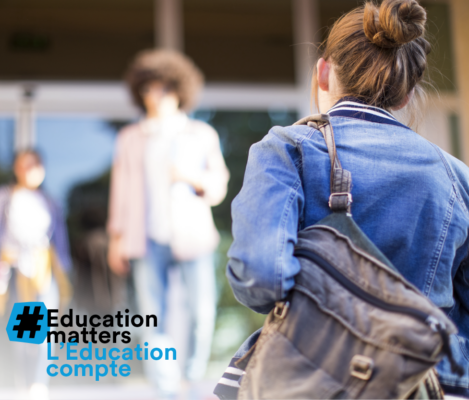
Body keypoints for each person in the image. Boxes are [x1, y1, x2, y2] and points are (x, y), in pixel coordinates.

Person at [222, 0, 469, 398]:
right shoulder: (457, 176)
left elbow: (260, 277)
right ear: (406, 95)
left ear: (323, 71)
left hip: (311, 377)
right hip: (428, 385)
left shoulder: (287, 148)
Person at [107, 49, 229, 395]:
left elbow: (219, 185)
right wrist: (116, 238)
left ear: (179, 91)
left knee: (202, 314)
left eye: (164, 89)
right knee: (152, 317)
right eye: (149, 90)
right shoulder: (130, 138)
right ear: (140, 93)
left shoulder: (201, 134)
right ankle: (167, 388)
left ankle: (190, 377)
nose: (156, 97)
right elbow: (120, 192)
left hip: (193, 237)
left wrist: (191, 176)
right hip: (146, 239)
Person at [0, 149, 72, 400]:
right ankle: (22, 385)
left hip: (43, 271)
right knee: (25, 333)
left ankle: (39, 386)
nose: (30, 170)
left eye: (35, 165)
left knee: (46, 331)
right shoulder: (5, 197)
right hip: (17, 271)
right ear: (16, 168)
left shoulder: (49, 201)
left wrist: (65, 274)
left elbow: (61, 242)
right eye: (24, 165)